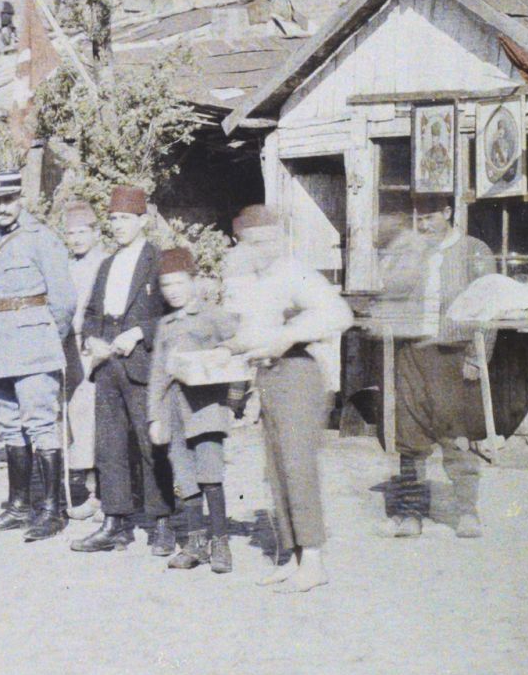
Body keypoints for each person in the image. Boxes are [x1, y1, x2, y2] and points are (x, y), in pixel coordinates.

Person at [227, 206, 354, 591]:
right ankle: (294, 555)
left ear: (281, 238)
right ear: (240, 246)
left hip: (298, 374)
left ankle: (313, 561)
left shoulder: (295, 272)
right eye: (254, 244)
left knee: (298, 466)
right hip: (267, 376)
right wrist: (228, 347)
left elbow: (339, 314)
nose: (264, 250)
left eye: (270, 241)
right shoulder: (252, 281)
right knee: (276, 467)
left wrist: (290, 334)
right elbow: (252, 332)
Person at [380, 194, 497, 540]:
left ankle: (466, 511)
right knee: (410, 435)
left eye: (430, 217)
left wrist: (478, 358)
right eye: (419, 218)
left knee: (456, 434)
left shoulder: (475, 251)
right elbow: (392, 295)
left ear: (447, 213)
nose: (424, 224)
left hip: (454, 355)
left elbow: (488, 309)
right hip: (412, 353)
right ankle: (411, 512)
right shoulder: (410, 252)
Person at [0, 170, 78, 542]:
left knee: (40, 424)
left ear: (20, 199)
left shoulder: (41, 239)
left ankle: (52, 509)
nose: (1, 208)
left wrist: (48, 340)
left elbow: (64, 301)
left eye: (7, 200)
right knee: (9, 424)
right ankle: (19, 504)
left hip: (34, 347)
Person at [73, 185, 171, 555]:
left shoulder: (157, 261)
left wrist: (139, 333)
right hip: (107, 364)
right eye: (113, 219)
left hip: (142, 362)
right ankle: (116, 522)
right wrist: (93, 340)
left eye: (125, 219)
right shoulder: (107, 264)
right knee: (110, 446)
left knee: (150, 444)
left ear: (143, 221)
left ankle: (162, 522)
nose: (118, 226)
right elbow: (94, 313)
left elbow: (171, 313)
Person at [144, 247, 238, 575]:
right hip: (174, 412)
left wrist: (224, 351)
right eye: (166, 285)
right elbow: (157, 373)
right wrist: (154, 416)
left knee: (211, 474)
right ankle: (196, 542)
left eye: (179, 283)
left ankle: (221, 542)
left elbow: (238, 340)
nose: (173, 291)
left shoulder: (213, 315)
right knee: (185, 478)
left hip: (207, 407)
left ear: (194, 281)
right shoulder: (165, 324)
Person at [58, 201, 107, 518]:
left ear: (95, 232)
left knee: (98, 420)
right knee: (77, 420)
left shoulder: (105, 264)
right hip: (69, 348)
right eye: (70, 233)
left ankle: (104, 494)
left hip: (97, 348)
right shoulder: (66, 266)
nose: (76, 239)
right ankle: (90, 492)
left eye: (82, 232)